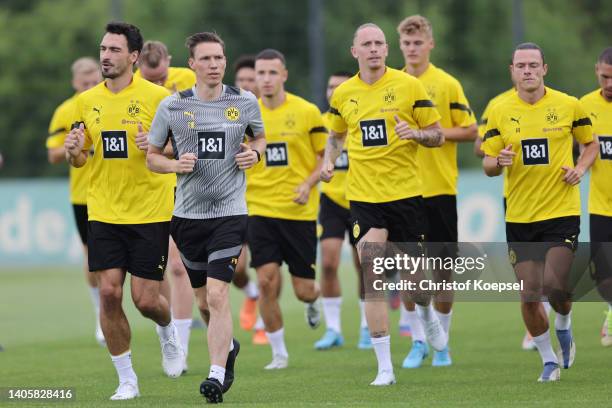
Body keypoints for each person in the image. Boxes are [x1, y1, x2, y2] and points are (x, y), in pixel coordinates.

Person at [321, 23, 445, 386]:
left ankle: (427, 315)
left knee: (415, 282)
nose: (374, 49)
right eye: (367, 44)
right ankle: (385, 368)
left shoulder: (409, 85)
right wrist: (330, 160)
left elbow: (437, 134)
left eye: (379, 43)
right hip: (363, 196)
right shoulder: (344, 93)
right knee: (372, 269)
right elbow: (336, 134)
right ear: (354, 51)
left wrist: (416, 134)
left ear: (386, 50)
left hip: (406, 194)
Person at [64, 22, 183, 400]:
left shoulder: (159, 98)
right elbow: (82, 159)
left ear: (133, 56)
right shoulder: (85, 101)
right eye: (103, 49)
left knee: (146, 300)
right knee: (110, 293)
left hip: (150, 209)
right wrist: (73, 150)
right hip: (103, 209)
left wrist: (158, 145)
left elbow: (181, 152)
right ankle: (127, 379)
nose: (105, 56)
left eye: (114, 50)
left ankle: (168, 332)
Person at [146, 31, 266, 403]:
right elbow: (152, 156)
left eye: (219, 58)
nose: (214, 65)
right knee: (203, 302)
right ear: (193, 65)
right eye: (207, 59)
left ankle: (216, 375)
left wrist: (255, 155)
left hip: (230, 213)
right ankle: (228, 348)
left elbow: (260, 139)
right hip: (187, 217)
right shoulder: (172, 106)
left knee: (217, 294)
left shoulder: (244, 101)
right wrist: (173, 164)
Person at [482, 42, 598, 382]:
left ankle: (564, 323)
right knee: (529, 296)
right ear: (512, 71)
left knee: (555, 286)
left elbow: (589, 144)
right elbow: (488, 162)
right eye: (521, 65)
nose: (528, 70)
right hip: (519, 216)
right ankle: (548, 360)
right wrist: (497, 163)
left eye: (534, 65)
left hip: (561, 210)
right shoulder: (501, 111)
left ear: (545, 68)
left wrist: (580, 168)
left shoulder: (568, 105)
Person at [396, 15, 477, 368]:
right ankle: (418, 341)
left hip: (440, 188)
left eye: (418, 43)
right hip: (403, 191)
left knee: (443, 272)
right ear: (400, 46)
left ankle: (442, 343)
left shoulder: (446, 84)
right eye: (407, 43)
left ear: (430, 45)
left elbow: (471, 130)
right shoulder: (391, 84)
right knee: (409, 271)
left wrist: (433, 132)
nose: (412, 49)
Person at [247, 48, 324, 370]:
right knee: (265, 280)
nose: (265, 79)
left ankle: (314, 301)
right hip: (258, 208)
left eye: (271, 73)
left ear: (284, 75)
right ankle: (279, 353)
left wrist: (308, 184)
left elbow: (324, 157)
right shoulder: (245, 113)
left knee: (303, 290)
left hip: (298, 213)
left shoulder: (307, 112)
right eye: (260, 74)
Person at [137, 39, 197, 371]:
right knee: (167, 270)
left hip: (190, 187)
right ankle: (175, 341)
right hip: (151, 191)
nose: (158, 86)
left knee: (183, 268)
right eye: (151, 79)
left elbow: (200, 135)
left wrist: (161, 145)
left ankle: (375, 331)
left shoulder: (189, 84)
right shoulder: (130, 96)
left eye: (162, 78)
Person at [46, 57, 104, 346]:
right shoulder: (66, 111)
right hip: (83, 194)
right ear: (74, 83)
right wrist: (74, 144)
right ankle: (100, 312)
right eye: (85, 83)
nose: (90, 87)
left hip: (114, 189)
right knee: (92, 256)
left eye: (94, 81)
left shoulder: (108, 102)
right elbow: (53, 154)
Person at [313, 70, 369, 350]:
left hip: (361, 199)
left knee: (365, 266)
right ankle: (333, 328)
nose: (333, 91)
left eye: (339, 86)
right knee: (328, 262)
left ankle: (366, 326)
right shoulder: (322, 124)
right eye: (330, 86)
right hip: (332, 202)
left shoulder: (360, 119)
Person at [231, 54, 268, 345]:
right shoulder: (227, 113)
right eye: (241, 80)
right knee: (238, 269)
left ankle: (265, 325)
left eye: (250, 80)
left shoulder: (272, 113)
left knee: (267, 268)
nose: (246, 85)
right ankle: (251, 294)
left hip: (269, 205)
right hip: (237, 201)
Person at [580, 47, 612, 347]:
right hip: (601, 205)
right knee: (602, 277)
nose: (610, 83)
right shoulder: (584, 106)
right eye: (605, 77)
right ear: (597, 71)